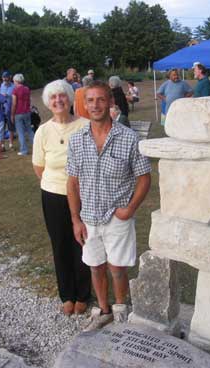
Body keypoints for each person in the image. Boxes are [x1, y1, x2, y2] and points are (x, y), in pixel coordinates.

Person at [66, 80, 151, 330]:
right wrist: (75, 219)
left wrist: (130, 209)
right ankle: (103, 311)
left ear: (111, 102)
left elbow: (144, 178)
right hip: (88, 217)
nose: (95, 105)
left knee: (117, 268)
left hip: (117, 217)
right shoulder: (77, 140)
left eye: (101, 99)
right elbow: (72, 183)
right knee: (95, 266)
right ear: (84, 104)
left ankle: (121, 309)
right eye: (90, 100)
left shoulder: (128, 138)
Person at [32, 80, 91, 315]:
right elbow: (39, 167)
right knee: (60, 245)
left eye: (62, 96)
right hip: (53, 195)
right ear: (48, 102)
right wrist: (57, 184)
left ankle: (83, 294)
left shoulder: (85, 125)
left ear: (69, 98)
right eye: (53, 97)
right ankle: (67, 294)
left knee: (83, 243)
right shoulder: (43, 131)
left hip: (83, 194)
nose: (58, 100)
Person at [11, 73, 34, 155]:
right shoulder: (27, 89)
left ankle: (24, 150)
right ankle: (36, 148)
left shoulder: (15, 90)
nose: (13, 82)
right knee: (30, 130)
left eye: (14, 81)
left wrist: (12, 114)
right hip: (27, 112)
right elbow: (29, 100)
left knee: (20, 132)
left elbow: (14, 103)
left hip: (18, 113)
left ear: (16, 81)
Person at [0, 71, 15, 149]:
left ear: (9, 77)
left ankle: (11, 144)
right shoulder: (1, 86)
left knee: (11, 127)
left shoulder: (14, 86)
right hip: (2, 110)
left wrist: (8, 96)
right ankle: (2, 145)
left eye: (6, 77)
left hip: (10, 110)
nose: (4, 79)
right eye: (3, 77)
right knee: (2, 127)